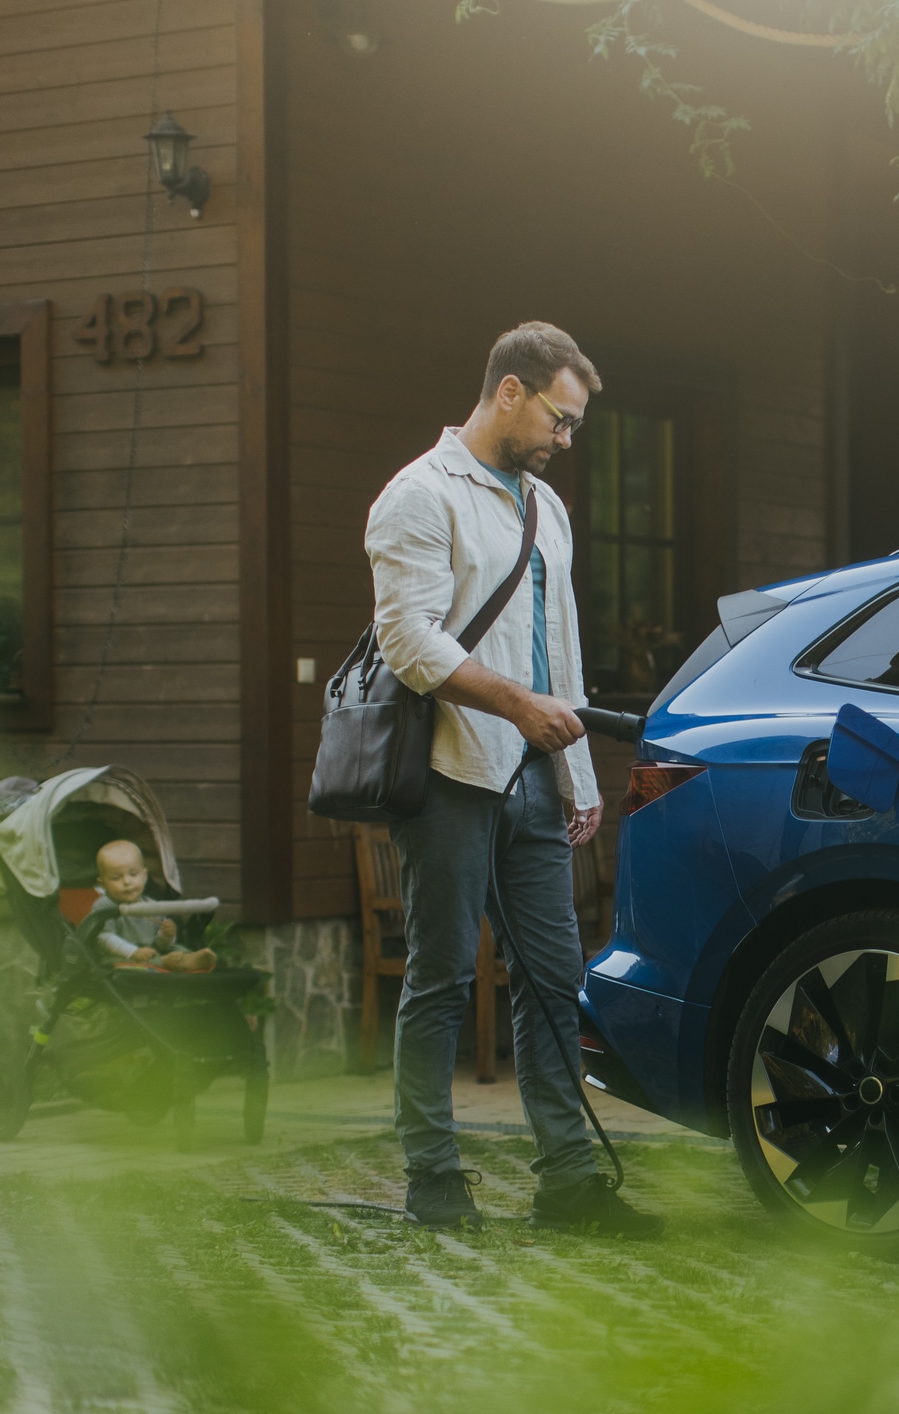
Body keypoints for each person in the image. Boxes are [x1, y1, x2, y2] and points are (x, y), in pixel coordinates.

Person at [366, 321, 660, 1236]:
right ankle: (431, 1177)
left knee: (553, 978)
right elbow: (408, 641)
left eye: (573, 426)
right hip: (450, 771)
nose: (565, 440)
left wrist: (577, 775)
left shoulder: (546, 507)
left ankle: (568, 1183)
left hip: (536, 775)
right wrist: (515, 706)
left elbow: (559, 649)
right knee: (442, 978)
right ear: (509, 392)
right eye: (559, 420)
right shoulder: (418, 495)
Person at [82, 839, 216, 972]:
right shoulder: (105, 906)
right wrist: (134, 952)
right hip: (119, 957)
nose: (127, 881)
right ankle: (174, 963)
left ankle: (190, 958)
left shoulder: (151, 906)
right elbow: (104, 938)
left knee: (176, 947)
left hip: (151, 953)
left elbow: (160, 945)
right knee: (149, 960)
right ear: (103, 884)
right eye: (116, 878)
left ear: (144, 876)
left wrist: (166, 936)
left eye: (133, 874)